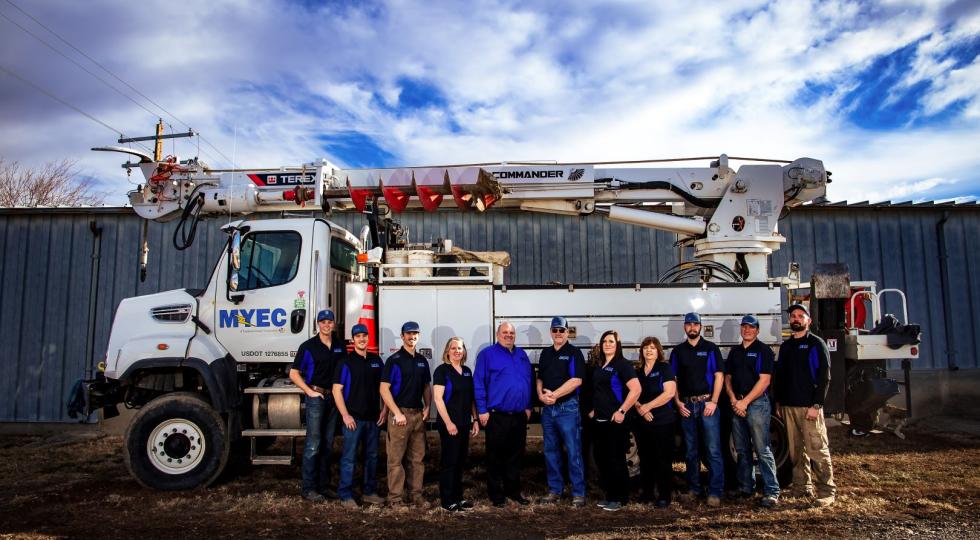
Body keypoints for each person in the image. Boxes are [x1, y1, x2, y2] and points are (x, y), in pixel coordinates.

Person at [774, 304, 837, 507]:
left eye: (801, 316)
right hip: (789, 407)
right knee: (796, 450)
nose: (796, 319)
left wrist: (817, 404)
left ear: (808, 321)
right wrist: (779, 402)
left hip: (809, 407)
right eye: (793, 316)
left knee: (817, 449)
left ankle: (827, 491)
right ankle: (802, 487)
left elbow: (824, 376)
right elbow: (781, 376)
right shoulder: (786, 347)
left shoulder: (816, 344)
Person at [474, 322, 534, 507]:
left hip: (518, 415)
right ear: (498, 334)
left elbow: (528, 381)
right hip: (496, 415)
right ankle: (496, 494)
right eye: (505, 332)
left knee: (515, 456)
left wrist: (528, 406)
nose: (509, 335)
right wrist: (482, 410)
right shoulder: (487, 354)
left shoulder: (522, 355)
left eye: (512, 333)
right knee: (495, 456)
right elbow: (479, 383)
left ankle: (513, 491)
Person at [288, 309, 346, 503]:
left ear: (334, 324)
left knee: (328, 444)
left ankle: (323, 486)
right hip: (316, 398)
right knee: (313, 444)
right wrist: (309, 391)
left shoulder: (339, 346)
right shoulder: (308, 346)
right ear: (318, 324)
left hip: (333, 398)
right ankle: (308, 488)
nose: (327, 325)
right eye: (323, 322)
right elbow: (294, 373)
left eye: (330, 322)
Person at [724, 314, 780, 508]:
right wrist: (733, 399)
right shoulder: (735, 352)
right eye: (744, 327)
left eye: (751, 327)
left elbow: (764, 380)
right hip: (737, 403)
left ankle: (772, 491)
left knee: (762, 449)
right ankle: (746, 487)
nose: (747, 330)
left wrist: (745, 402)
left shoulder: (763, 351)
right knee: (741, 450)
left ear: (757, 330)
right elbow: (728, 377)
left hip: (756, 405)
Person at [670, 312, 725, 507]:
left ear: (701, 327)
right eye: (688, 325)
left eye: (695, 324)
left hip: (707, 404)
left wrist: (714, 401)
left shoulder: (710, 348)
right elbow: (673, 380)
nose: (692, 328)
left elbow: (719, 376)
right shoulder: (678, 351)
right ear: (684, 327)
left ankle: (715, 491)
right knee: (690, 451)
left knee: (712, 449)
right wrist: (678, 403)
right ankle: (694, 489)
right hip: (687, 406)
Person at [332, 323, 386, 508]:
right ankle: (345, 494)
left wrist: (385, 410)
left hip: (373, 418)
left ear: (368, 338)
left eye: (365, 335)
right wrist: (345, 415)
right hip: (353, 419)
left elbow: (385, 388)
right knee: (349, 457)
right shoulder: (345, 362)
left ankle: (369, 492)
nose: (362, 339)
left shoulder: (376, 361)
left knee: (372, 456)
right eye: (358, 336)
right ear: (353, 339)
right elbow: (336, 390)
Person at [587, 330, 641, 512]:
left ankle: (620, 498)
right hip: (600, 420)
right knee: (602, 460)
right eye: (605, 341)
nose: (607, 344)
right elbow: (601, 391)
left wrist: (622, 411)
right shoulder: (600, 365)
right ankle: (610, 495)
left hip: (615, 421)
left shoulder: (622, 365)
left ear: (617, 345)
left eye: (611, 341)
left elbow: (636, 390)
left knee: (616, 459)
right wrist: (595, 409)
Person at [536, 316, 587, 507]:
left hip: (568, 408)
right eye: (555, 330)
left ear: (568, 332)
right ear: (551, 332)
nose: (558, 333)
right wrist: (541, 395)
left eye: (561, 330)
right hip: (548, 409)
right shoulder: (545, 353)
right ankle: (554, 490)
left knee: (573, 451)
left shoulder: (574, 353)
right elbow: (540, 377)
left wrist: (555, 395)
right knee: (551, 451)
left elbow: (577, 380)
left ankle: (579, 493)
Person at [380, 321, 431, 507]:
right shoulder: (394, 360)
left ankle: (416, 496)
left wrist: (427, 407)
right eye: (408, 334)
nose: (412, 337)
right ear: (402, 336)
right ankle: (395, 499)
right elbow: (384, 389)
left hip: (417, 416)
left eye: (415, 333)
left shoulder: (422, 361)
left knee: (417, 459)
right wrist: (395, 412)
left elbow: (426, 386)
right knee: (396, 460)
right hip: (400, 416)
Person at [432, 337, 480, 512]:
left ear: (464, 351)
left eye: (460, 348)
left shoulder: (467, 371)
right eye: (454, 348)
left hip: (463, 423)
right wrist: (449, 423)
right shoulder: (442, 371)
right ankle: (447, 500)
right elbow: (438, 399)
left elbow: (471, 399)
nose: (457, 351)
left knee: (460, 461)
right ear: (447, 351)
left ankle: (458, 498)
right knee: (449, 461)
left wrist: (474, 420)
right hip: (449, 424)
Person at [630, 336, 677, 508]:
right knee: (646, 458)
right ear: (641, 351)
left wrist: (647, 407)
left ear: (658, 351)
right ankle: (647, 493)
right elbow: (632, 394)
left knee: (662, 459)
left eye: (652, 348)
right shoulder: (638, 372)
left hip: (663, 421)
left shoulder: (665, 368)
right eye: (645, 348)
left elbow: (669, 393)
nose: (649, 350)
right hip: (643, 422)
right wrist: (639, 407)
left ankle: (664, 495)